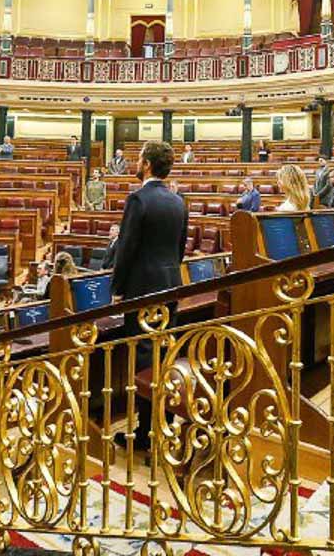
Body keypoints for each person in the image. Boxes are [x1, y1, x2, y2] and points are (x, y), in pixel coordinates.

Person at [110, 141, 188, 449]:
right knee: (164, 355)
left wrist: (117, 290)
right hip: (170, 285)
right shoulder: (177, 201)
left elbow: (126, 248)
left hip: (143, 289)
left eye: (139, 158)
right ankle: (164, 423)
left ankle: (146, 434)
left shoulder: (138, 199)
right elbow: (179, 249)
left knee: (144, 359)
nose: (136, 162)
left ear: (146, 164)